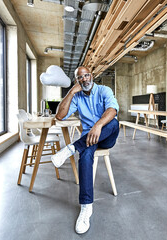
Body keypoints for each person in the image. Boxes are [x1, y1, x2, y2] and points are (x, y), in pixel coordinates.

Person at [51, 66, 119, 234]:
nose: (85, 79)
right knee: (86, 156)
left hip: (106, 135)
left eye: (87, 75)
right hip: (89, 140)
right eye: (80, 78)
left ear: (92, 76)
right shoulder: (77, 96)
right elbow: (59, 115)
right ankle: (86, 208)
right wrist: (71, 92)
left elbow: (112, 110)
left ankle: (71, 148)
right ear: (77, 81)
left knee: (114, 122)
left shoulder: (104, 90)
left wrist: (98, 125)